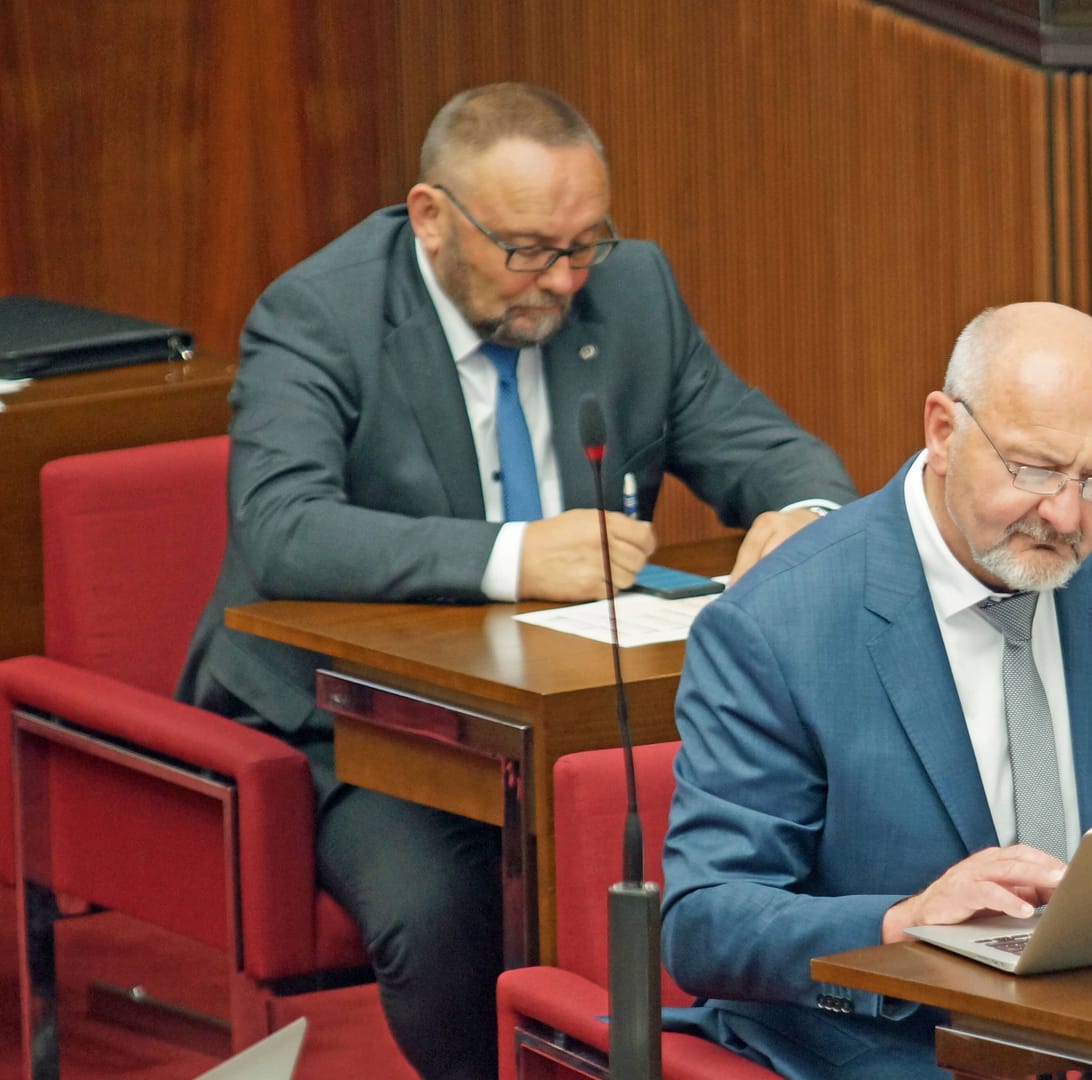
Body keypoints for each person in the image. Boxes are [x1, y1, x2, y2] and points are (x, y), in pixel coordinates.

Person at [176, 83, 854, 1079]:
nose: (563, 278)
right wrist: (512, 555)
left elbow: (765, 449)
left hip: (577, 709)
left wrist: (804, 518)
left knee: (749, 853)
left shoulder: (633, 291)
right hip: (353, 720)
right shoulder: (320, 312)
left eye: (585, 245)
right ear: (432, 218)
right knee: (439, 912)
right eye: (529, 249)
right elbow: (282, 528)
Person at [660, 301, 1092, 1078]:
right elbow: (705, 919)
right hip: (908, 1045)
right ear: (943, 432)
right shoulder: (779, 625)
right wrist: (903, 921)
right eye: (1035, 469)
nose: (1066, 515)